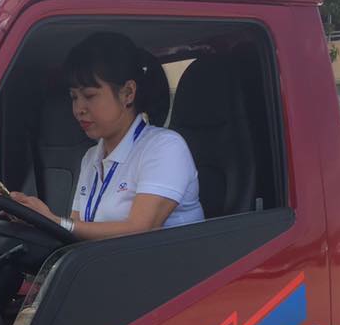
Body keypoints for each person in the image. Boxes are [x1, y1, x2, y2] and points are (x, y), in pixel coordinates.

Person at [11, 32, 204, 239]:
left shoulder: (165, 147)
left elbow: (141, 230)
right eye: (74, 97)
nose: (78, 109)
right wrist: (39, 220)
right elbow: (76, 228)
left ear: (128, 93)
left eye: (89, 96)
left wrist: (55, 221)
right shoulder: (91, 157)